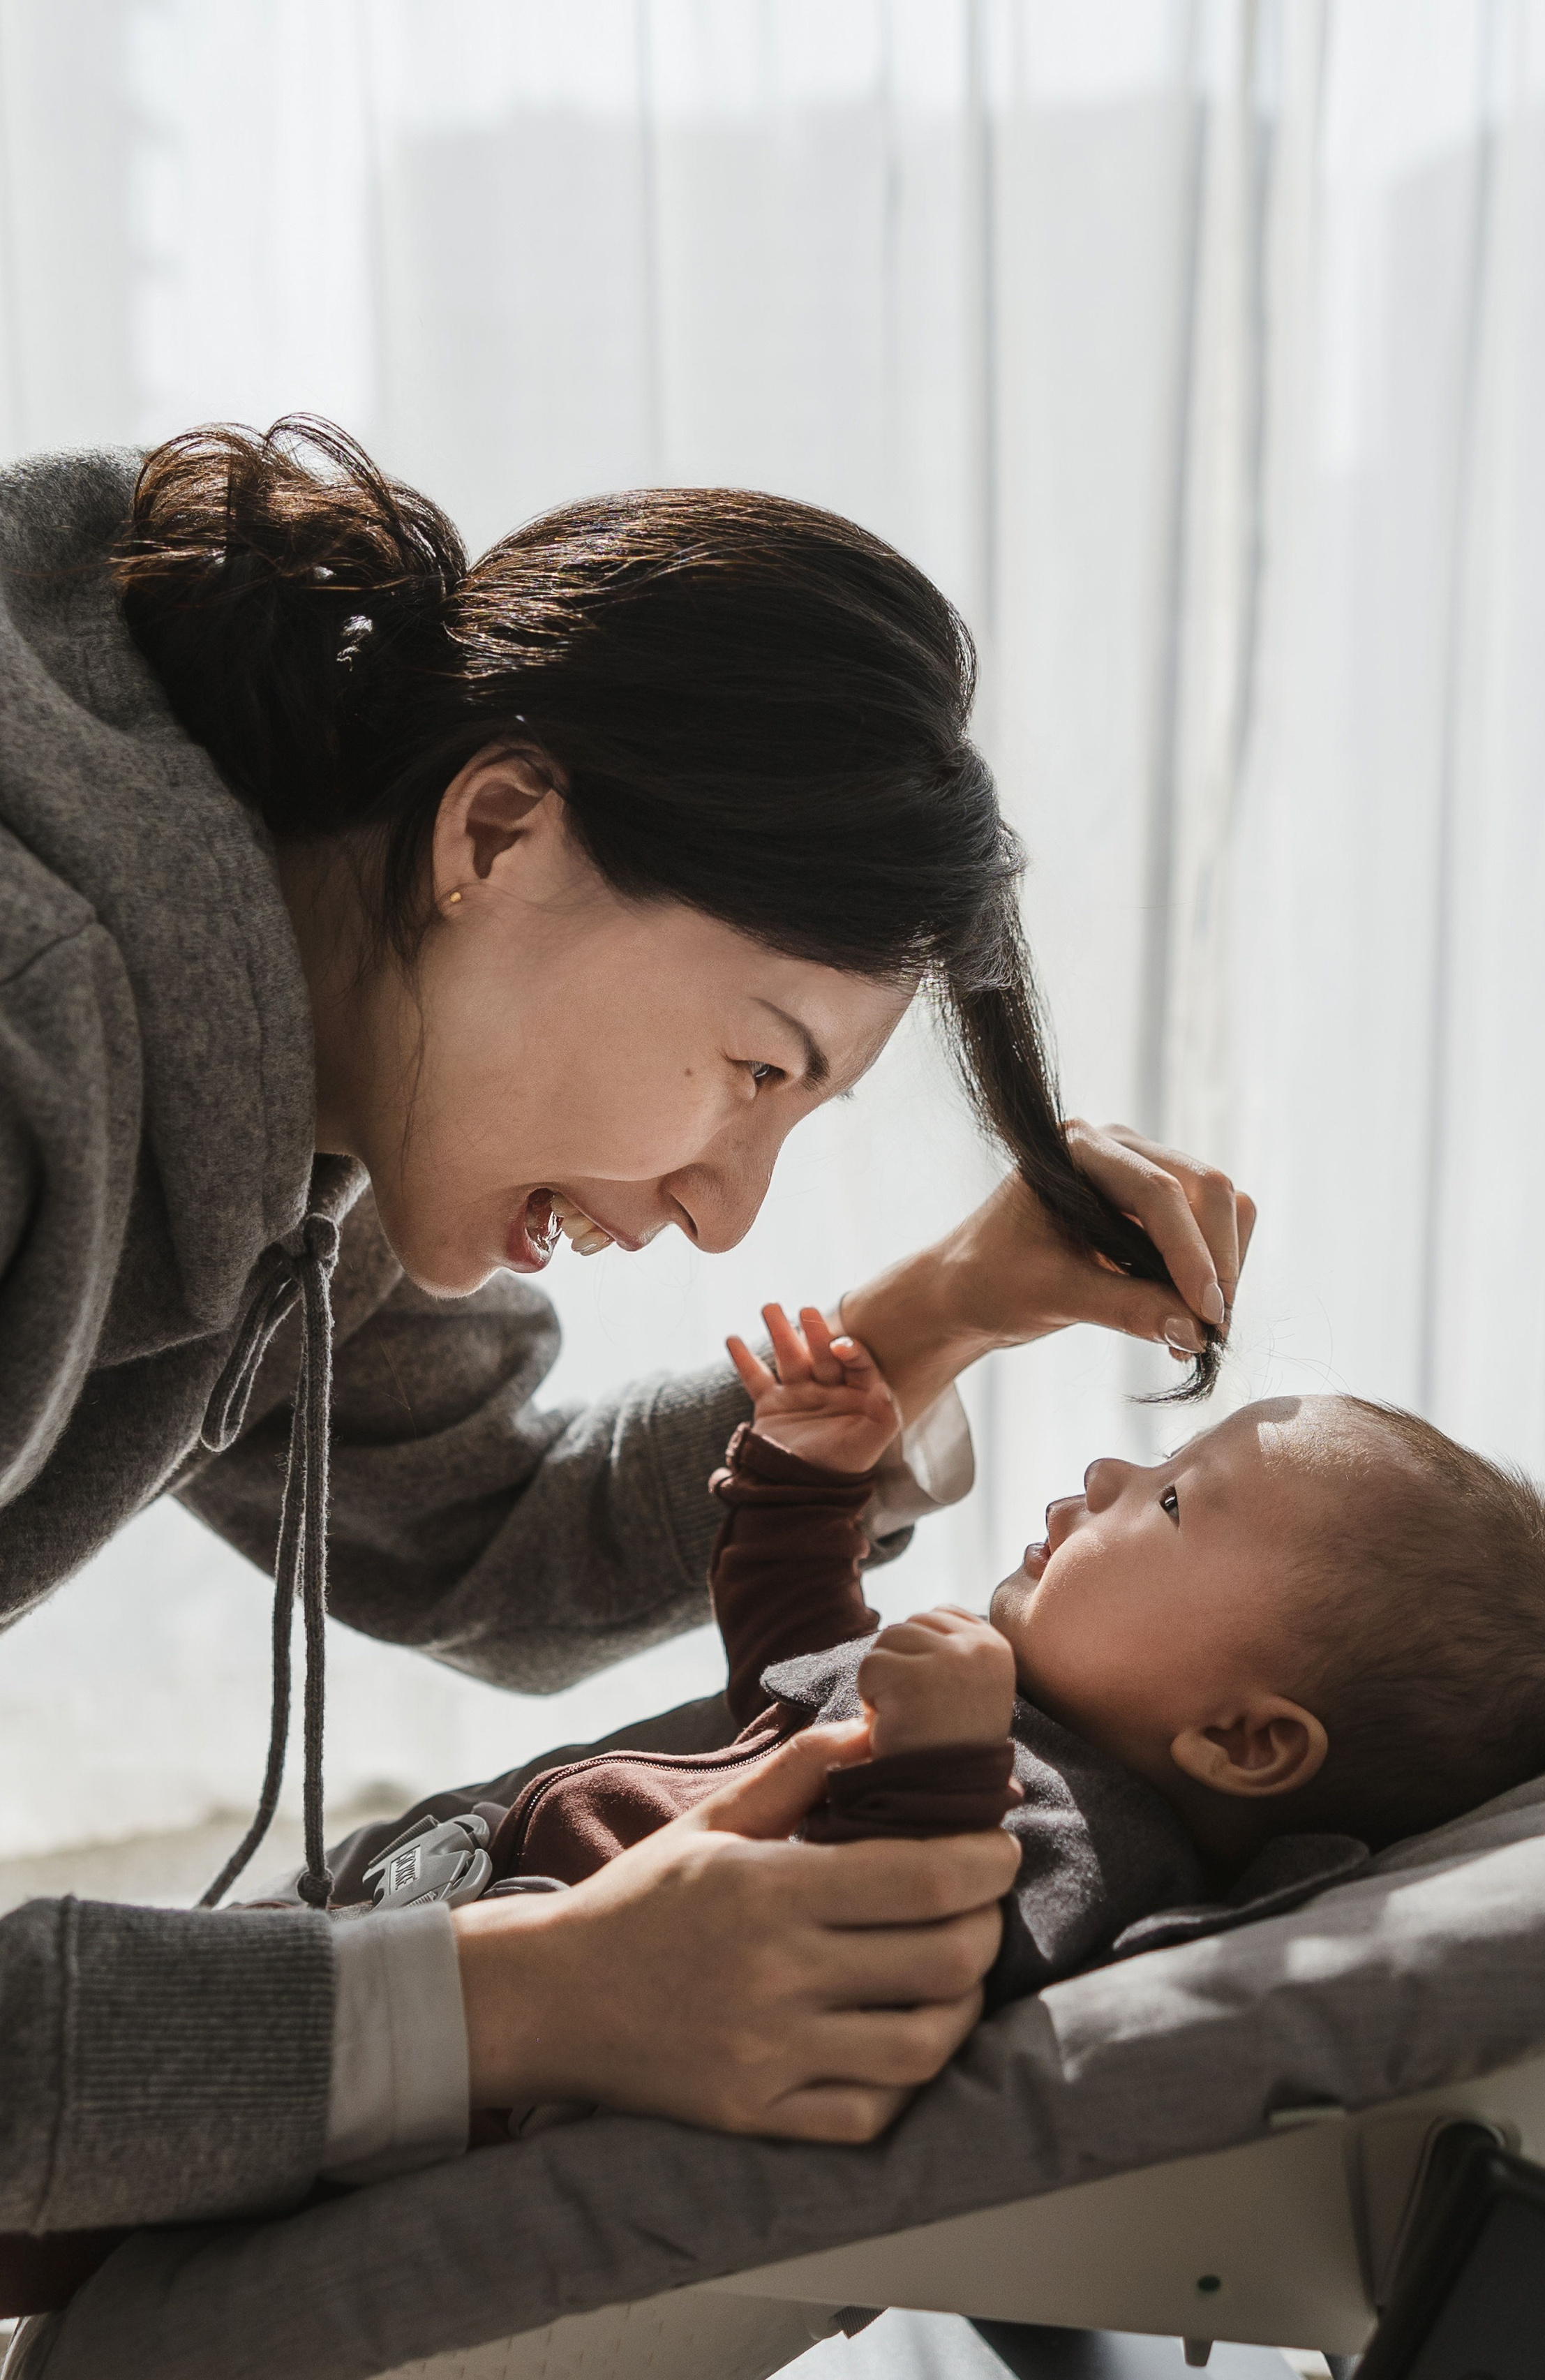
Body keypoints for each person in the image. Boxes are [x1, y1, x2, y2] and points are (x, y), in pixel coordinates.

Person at [0, 418, 1255, 2245]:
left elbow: (488, 1535)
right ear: (497, 830)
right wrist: (524, 1989)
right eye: (753, 1065)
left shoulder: (305, 1070)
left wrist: (952, 1307)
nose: (724, 1208)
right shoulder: (35, 1044)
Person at [377, 1302, 1545, 2137]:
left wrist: (943, 1760)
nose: (1113, 1476)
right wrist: (803, 1484)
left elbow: (894, 1961)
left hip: (506, 2076)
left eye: (1175, 1501)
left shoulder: (1089, 1839)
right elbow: (799, 1664)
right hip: (447, 1935)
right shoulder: (1007, 1715)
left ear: (1244, 1740)